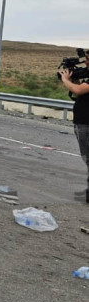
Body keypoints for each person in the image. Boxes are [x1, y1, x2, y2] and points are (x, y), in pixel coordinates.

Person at [59, 68, 89, 202]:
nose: (85, 62)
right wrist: (74, 82)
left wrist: (65, 80)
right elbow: (80, 93)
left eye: (88, 59)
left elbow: (78, 91)